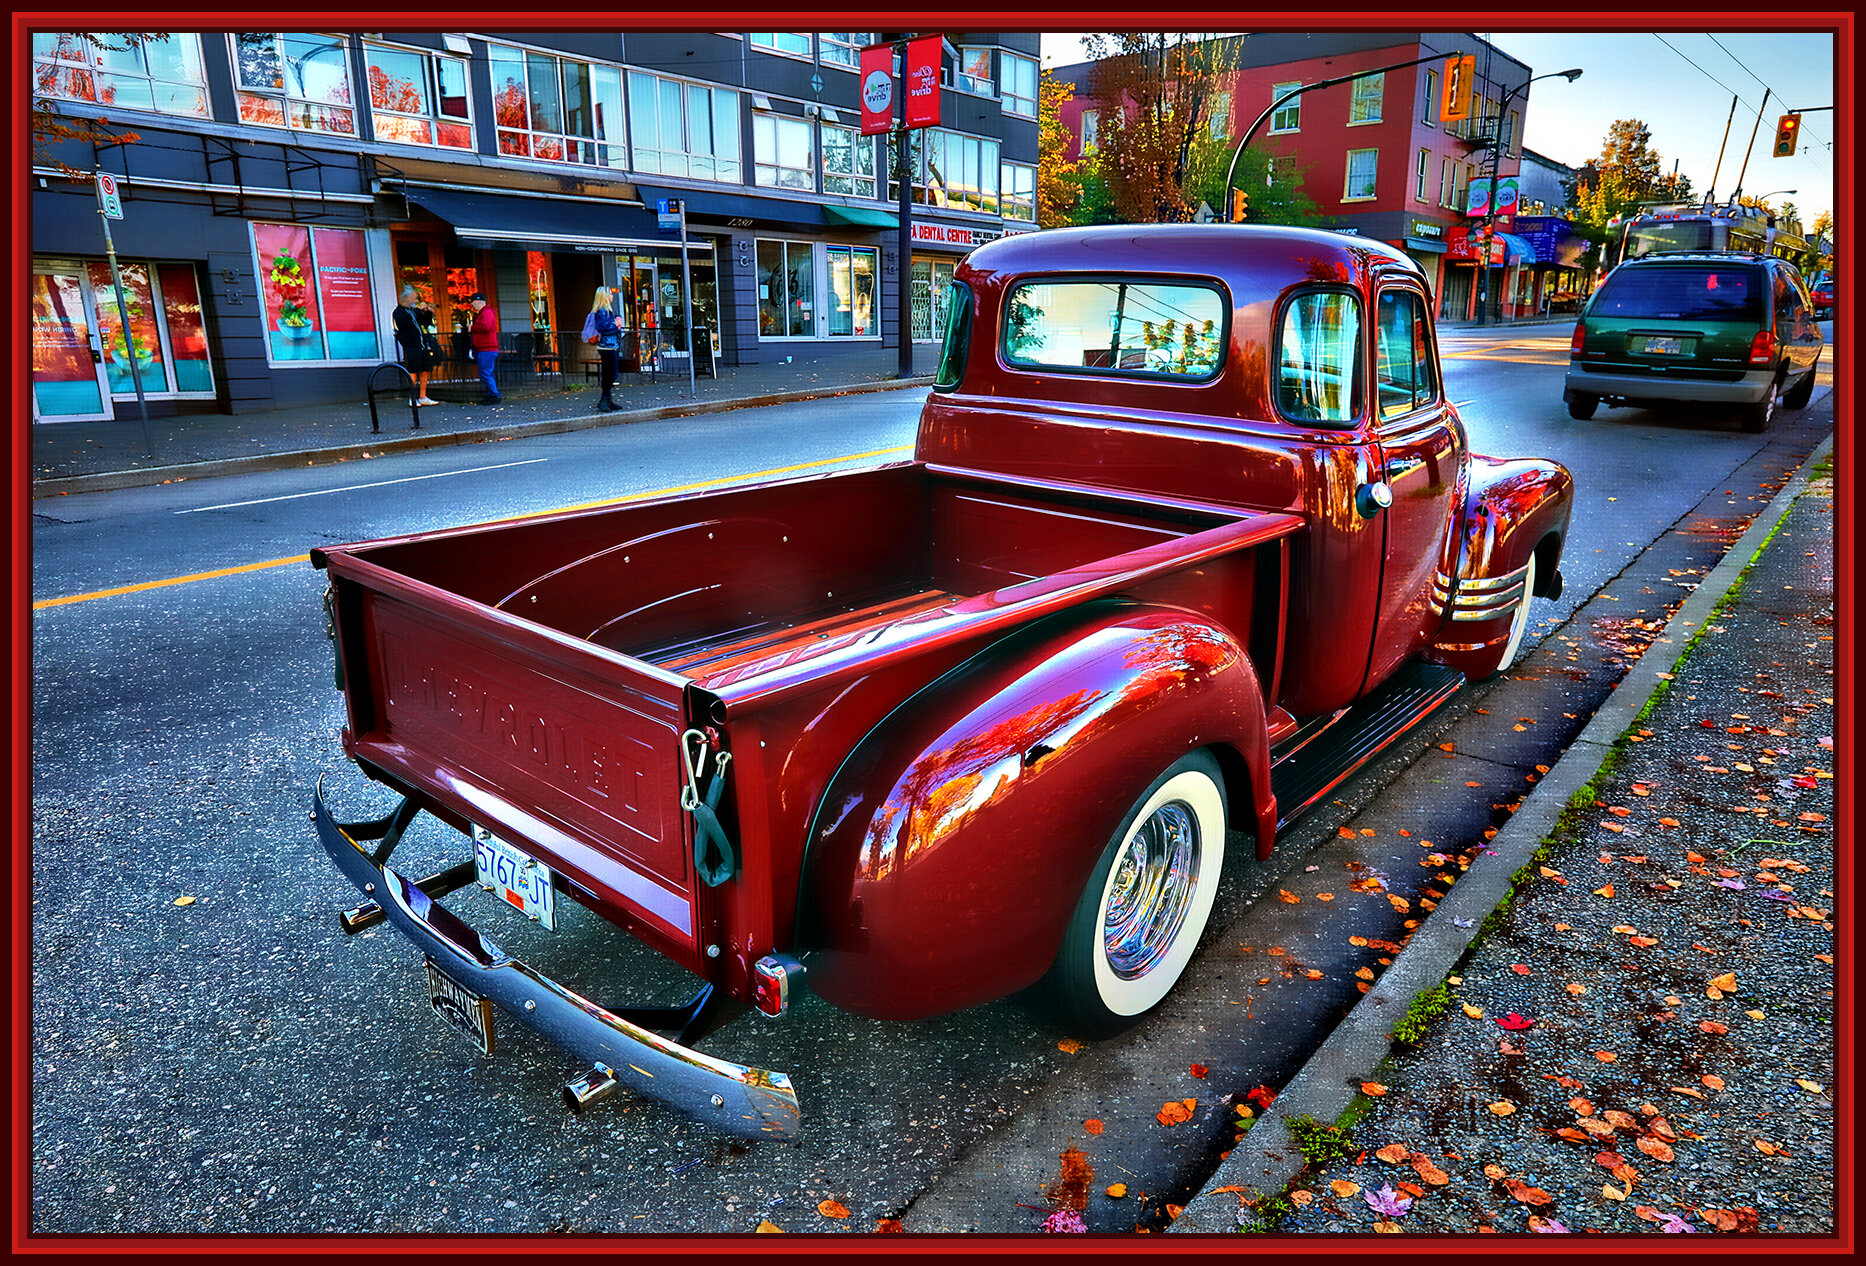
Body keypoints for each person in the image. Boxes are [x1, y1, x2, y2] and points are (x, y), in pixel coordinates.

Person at [391, 286, 437, 405]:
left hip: (421, 345)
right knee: (413, 371)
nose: (416, 301)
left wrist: (427, 312)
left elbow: (425, 323)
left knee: (425, 370)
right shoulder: (398, 312)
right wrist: (417, 310)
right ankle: (412, 398)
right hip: (411, 346)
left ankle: (423, 396)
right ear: (406, 298)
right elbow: (404, 324)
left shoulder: (414, 310)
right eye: (414, 298)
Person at [585, 286, 623, 411]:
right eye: (610, 294)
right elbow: (603, 328)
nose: (612, 296)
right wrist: (615, 324)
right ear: (605, 296)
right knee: (610, 373)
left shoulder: (607, 311)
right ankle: (604, 399)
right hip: (606, 346)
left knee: (610, 373)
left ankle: (607, 399)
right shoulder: (601, 311)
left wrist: (616, 323)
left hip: (610, 346)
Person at [468, 292, 501, 404]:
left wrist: (472, 328)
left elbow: (485, 327)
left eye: (473, 303)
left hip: (486, 348)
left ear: (478, 302)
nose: (473, 305)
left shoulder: (486, 313)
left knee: (485, 373)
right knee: (487, 373)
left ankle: (493, 395)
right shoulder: (486, 312)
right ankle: (492, 394)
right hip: (486, 348)